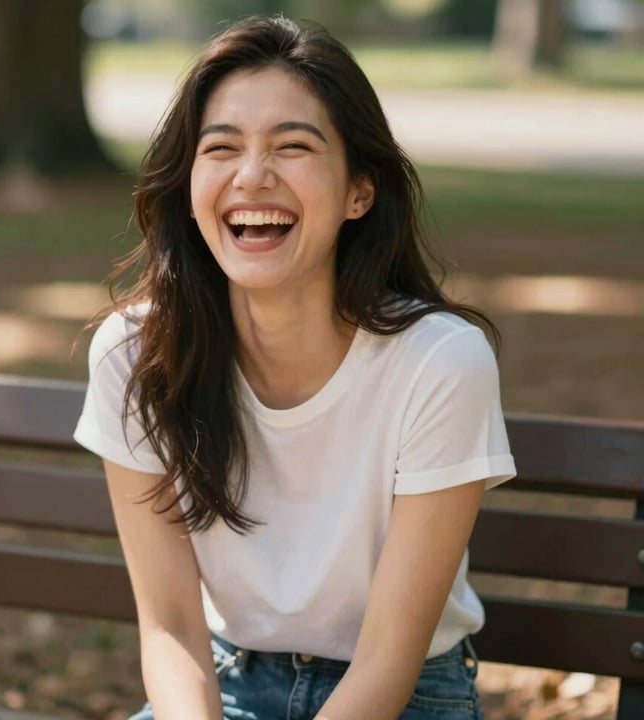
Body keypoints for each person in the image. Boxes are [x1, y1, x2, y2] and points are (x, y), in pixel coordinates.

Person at [74, 15, 516, 720]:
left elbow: (387, 663)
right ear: (189, 184)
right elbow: (171, 630)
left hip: (402, 699)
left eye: (293, 146)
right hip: (223, 687)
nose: (254, 176)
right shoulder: (136, 354)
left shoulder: (438, 361)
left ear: (359, 192)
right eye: (221, 148)